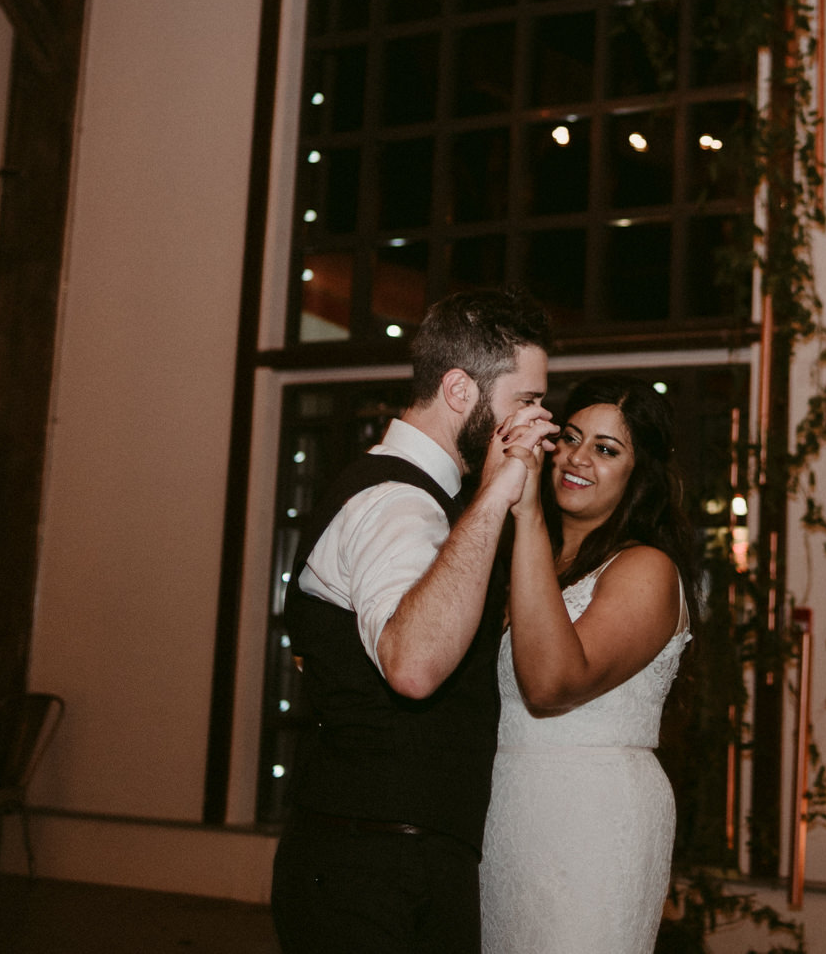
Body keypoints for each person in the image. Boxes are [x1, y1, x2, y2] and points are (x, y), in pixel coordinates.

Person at [271, 288, 556, 954]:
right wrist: (498, 492)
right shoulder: (395, 504)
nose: (541, 419)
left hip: (400, 863)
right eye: (527, 399)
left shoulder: (430, 503)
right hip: (371, 876)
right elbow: (415, 665)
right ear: (460, 389)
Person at [480, 375, 702, 954]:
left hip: (595, 818)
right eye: (571, 438)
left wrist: (526, 516)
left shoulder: (647, 568)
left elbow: (553, 685)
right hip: (508, 809)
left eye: (606, 450)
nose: (577, 459)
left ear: (640, 472)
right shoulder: (530, 558)